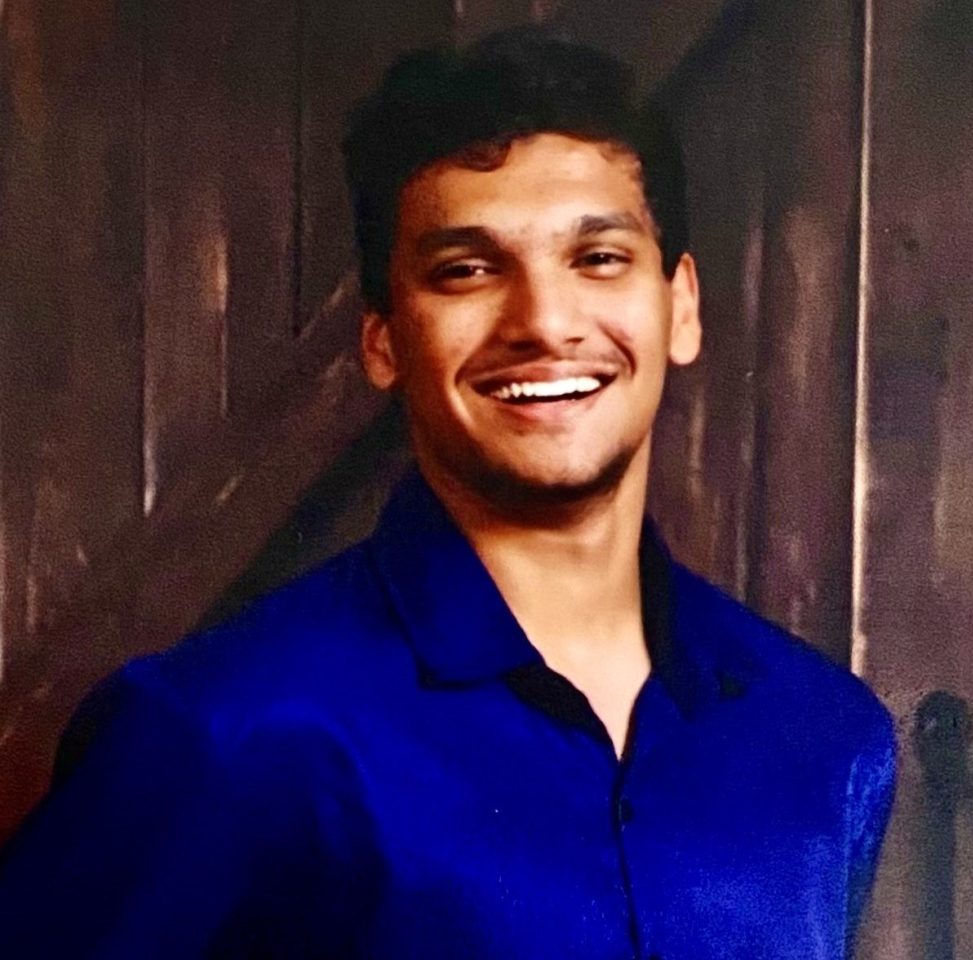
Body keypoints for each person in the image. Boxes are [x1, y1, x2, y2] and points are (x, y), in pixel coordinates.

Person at [0, 29, 895, 959]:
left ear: (681, 308)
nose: (544, 322)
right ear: (384, 340)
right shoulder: (226, 729)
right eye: (467, 269)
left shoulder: (824, 736)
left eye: (598, 259)